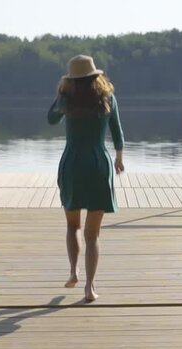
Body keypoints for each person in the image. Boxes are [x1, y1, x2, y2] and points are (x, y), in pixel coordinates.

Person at [47, 54, 125, 302]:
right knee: (93, 234)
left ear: (71, 78)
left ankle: (73, 271)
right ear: (96, 76)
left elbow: (50, 119)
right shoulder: (107, 98)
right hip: (98, 165)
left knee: (73, 226)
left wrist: (61, 93)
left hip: (72, 164)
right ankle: (89, 287)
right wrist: (119, 158)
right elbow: (118, 133)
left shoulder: (67, 99)